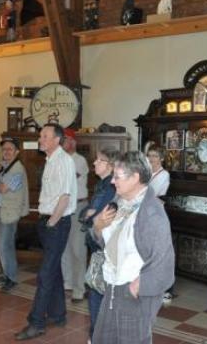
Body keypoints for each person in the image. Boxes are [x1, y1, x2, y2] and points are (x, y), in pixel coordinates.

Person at [91, 151, 175, 344]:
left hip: (132, 293)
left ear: (135, 177)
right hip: (112, 287)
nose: (112, 181)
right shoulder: (121, 203)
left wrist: (138, 286)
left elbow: (164, 261)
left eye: (117, 177)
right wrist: (98, 226)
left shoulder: (152, 212)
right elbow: (106, 243)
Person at [15, 123, 77, 341]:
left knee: (45, 274)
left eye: (44, 136)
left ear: (57, 140)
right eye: (41, 135)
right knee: (54, 270)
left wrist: (51, 222)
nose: (40, 139)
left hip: (56, 224)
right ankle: (58, 315)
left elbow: (65, 196)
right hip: (49, 223)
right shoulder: (51, 160)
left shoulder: (64, 161)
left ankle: (36, 322)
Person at [80, 147, 119, 344]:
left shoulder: (110, 187)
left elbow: (96, 216)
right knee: (96, 292)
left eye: (99, 160)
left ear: (110, 166)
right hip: (96, 247)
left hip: (103, 249)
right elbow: (86, 212)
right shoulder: (101, 185)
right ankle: (96, 336)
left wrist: (90, 217)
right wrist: (89, 216)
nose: (94, 163)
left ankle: (97, 337)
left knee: (98, 295)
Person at [0, 137, 29, 292]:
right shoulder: (6, 166)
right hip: (0, 209)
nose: (6, 152)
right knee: (3, 246)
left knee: (5, 246)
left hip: (9, 212)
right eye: (4, 149)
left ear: (17, 152)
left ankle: (11, 277)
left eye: (9, 149)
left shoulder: (17, 169)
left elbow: (2, 189)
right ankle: (7, 273)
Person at [61, 128, 89, 303]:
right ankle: (68, 283)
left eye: (65, 140)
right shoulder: (60, 159)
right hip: (64, 208)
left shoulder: (79, 160)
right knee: (65, 248)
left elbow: (67, 179)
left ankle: (80, 288)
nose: (62, 143)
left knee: (78, 249)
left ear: (72, 142)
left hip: (78, 207)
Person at [147, 144, 173, 305]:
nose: (151, 159)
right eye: (149, 155)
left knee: (159, 254)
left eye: (155, 156)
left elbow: (158, 197)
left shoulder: (164, 175)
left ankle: (166, 290)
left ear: (162, 158)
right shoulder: (146, 172)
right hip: (146, 216)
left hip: (156, 217)